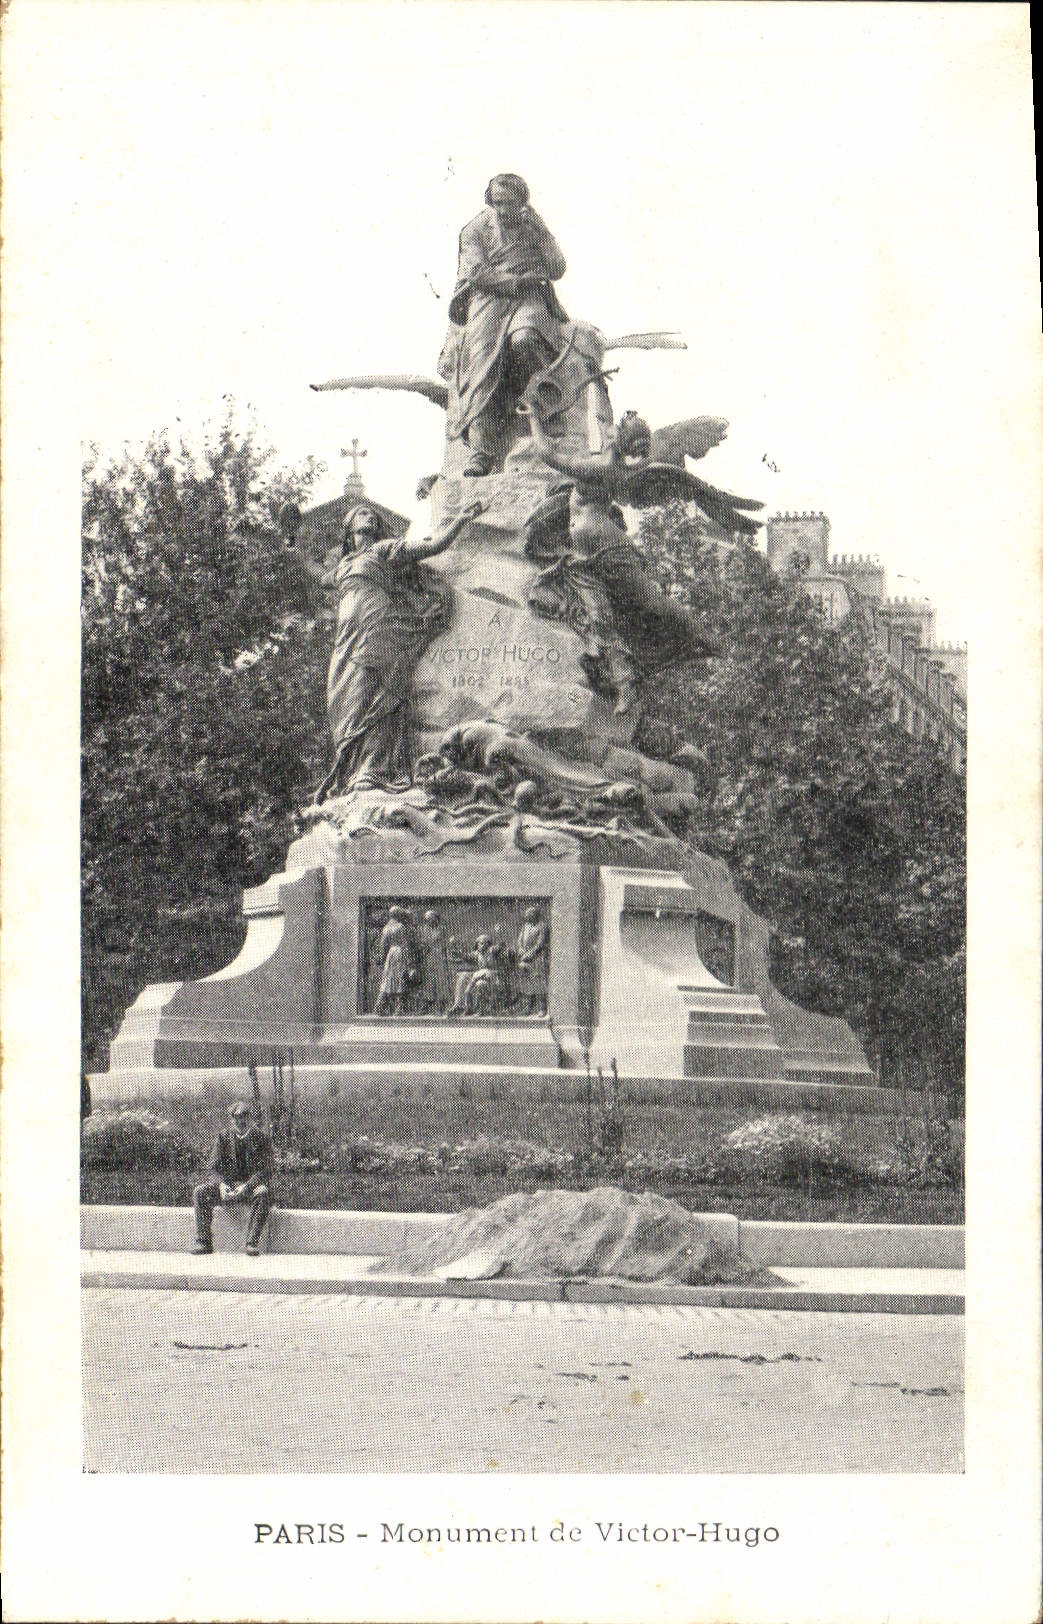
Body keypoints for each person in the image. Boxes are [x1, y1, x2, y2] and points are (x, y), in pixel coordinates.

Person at [524, 409, 718, 714]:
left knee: (650, 601)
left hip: (610, 550)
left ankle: (703, 634)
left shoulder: (600, 468)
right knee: (601, 619)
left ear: (616, 439)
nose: (607, 429)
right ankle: (625, 683)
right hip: (583, 558)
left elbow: (546, 452)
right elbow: (600, 423)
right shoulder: (612, 465)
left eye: (612, 430)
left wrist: (535, 416)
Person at [307, 500, 484, 801]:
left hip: (379, 625)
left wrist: (460, 521)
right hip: (347, 636)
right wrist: (286, 543)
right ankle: (351, 769)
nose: (370, 517)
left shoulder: (383, 549)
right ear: (349, 530)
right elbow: (315, 573)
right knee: (343, 699)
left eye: (373, 515)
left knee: (374, 692)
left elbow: (432, 546)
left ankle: (372, 769)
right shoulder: (344, 565)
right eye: (362, 514)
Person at [444, 174, 569, 477]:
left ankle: (548, 412)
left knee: (525, 339)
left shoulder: (533, 227)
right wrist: (514, 281)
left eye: (509, 204)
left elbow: (557, 268)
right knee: (482, 361)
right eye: (497, 203)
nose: (502, 210)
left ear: (522, 203)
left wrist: (542, 233)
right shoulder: (474, 229)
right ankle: (481, 451)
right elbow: (475, 271)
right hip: (488, 296)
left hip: (529, 297)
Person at [192, 1101, 274, 1256]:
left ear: (250, 1118)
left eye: (243, 1118)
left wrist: (247, 1186)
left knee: (263, 1192)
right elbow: (212, 1167)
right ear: (231, 1120)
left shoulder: (261, 1138)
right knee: (200, 1191)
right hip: (227, 1188)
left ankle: (252, 1242)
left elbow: (266, 1169)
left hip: (250, 1189)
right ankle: (204, 1242)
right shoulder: (223, 1137)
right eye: (236, 1119)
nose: (240, 1122)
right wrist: (222, 1184)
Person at [375, 905, 415, 1015]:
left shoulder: (386, 927)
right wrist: (410, 963)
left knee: (388, 980)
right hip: (400, 953)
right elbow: (405, 944)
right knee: (400, 980)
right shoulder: (401, 927)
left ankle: (380, 1006)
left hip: (391, 954)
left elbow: (383, 945)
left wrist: (382, 956)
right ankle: (399, 1009)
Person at [416, 908, 454, 1014]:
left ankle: (442, 1005)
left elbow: (446, 943)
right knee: (428, 981)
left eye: (431, 918)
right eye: (427, 919)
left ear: (435, 918)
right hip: (427, 956)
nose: (429, 921)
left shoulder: (442, 929)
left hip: (439, 956)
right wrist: (423, 948)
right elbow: (420, 943)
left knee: (441, 980)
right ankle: (426, 1005)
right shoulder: (422, 930)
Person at [515, 905, 550, 1015]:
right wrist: (521, 949)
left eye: (529, 915)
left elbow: (540, 943)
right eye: (527, 915)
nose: (527, 917)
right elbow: (520, 939)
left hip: (538, 959)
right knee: (528, 983)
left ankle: (542, 1008)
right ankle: (528, 1007)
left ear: (535, 915)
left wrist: (530, 954)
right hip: (526, 958)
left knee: (539, 982)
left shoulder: (542, 926)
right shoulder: (526, 926)